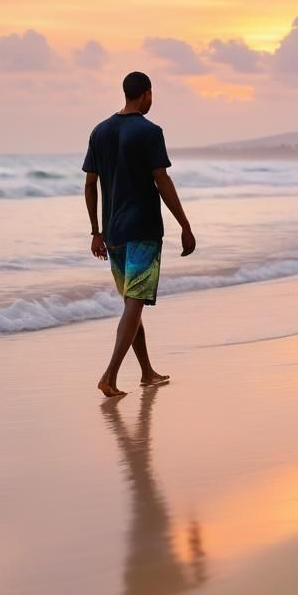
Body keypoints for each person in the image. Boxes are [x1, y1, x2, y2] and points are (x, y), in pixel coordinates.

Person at [84, 71, 196, 397]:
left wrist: (95, 231)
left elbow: (90, 184)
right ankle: (110, 376)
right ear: (146, 94)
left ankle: (147, 372)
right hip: (144, 230)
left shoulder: (99, 132)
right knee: (134, 304)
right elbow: (161, 180)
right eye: (151, 94)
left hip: (114, 233)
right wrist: (185, 226)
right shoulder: (149, 132)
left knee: (132, 305)